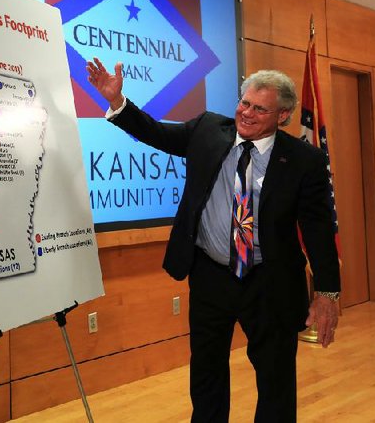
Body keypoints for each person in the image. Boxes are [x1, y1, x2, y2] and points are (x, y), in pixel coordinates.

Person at [86, 58, 341, 422]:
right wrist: (118, 102)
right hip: (211, 276)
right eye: (244, 103)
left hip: (270, 283)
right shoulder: (208, 130)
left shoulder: (304, 160)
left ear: (283, 116)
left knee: (276, 379)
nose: (247, 113)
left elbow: (317, 229)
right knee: (206, 375)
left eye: (260, 108)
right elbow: (157, 133)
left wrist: (327, 292)